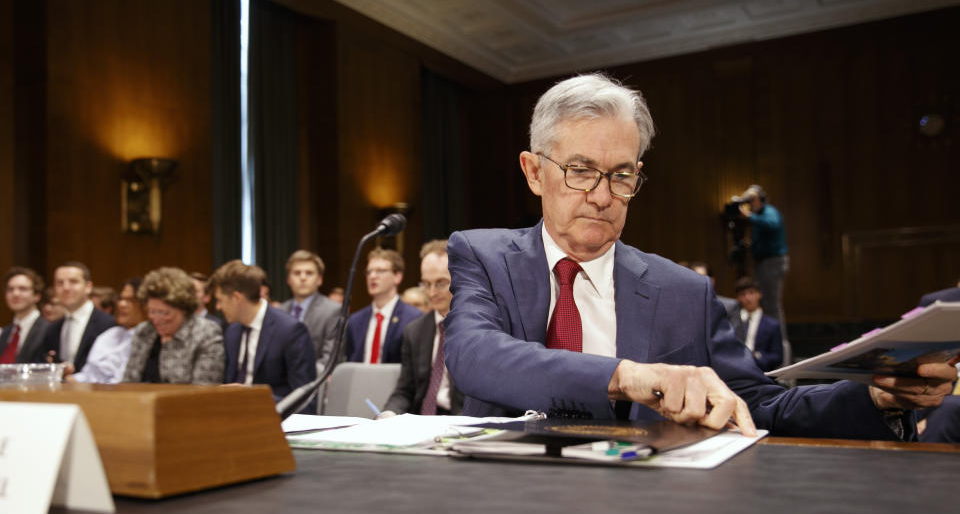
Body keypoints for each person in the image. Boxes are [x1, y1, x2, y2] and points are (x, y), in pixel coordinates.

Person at [444, 73, 957, 439]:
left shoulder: (683, 292)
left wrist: (875, 397)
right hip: (503, 506)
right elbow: (474, 356)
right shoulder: (483, 255)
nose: (602, 196)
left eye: (621, 174)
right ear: (535, 172)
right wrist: (627, 375)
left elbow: (757, 404)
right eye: (580, 170)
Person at [211, 260, 317, 411]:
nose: (218, 307)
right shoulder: (232, 331)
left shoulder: (290, 331)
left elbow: (306, 400)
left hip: (274, 420)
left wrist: (252, 397)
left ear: (236, 298)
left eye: (220, 300)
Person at [380, 240, 464, 417]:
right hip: (420, 420)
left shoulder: (479, 329)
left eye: (441, 283)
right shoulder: (415, 331)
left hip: (459, 422)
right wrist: (390, 412)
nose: (432, 292)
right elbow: (404, 390)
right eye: (426, 284)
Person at [122, 267, 224, 384]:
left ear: (183, 309)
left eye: (164, 313)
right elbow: (129, 381)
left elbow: (203, 389)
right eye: (152, 311)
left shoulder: (206, 333)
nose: (156, 319)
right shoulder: (144, 331)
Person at [345, 248, 420, 363]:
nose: (372, 276)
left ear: (397, 277)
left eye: (380, 271)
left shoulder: (414, 319)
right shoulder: (355, 321)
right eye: (368, 272)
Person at [41, 261, 116, 372]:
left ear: (88, 287)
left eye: (73, 282)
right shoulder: (52, 329)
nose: (66, 288)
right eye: (60, 283)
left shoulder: (108, 324)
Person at [69, 278, 145, 383]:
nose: (122, 304)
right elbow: (88, 375)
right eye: (121, 299)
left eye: (131, 300)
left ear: (146, 305)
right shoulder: (109, 335)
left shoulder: (148, 339)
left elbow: (123, 382)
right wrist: (62, 378)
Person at [738, 184, 788, 329]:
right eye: (749, 201)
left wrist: (750, 216)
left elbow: (772, 224)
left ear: (761, 199)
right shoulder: (759, 215)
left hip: (773, 262)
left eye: (753, 200)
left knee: (772, 304)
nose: (751, 204)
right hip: (763, 262)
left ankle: (779, 344)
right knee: (765, 303)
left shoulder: (769, 211)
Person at [279, 250, 340, 367]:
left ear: (319, 279)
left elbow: (331, 359)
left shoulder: (333, 311)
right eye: (297, 273)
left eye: (309, 273)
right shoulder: (279, 311)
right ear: (288, 279)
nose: (302, 278)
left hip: (315, 381)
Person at [731, 277, 783, 372]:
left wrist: (756, 356)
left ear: (759, 294)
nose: (747, 298)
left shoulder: (772, 325)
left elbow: (777, 357)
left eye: (751, 293)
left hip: (760, 371)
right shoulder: (732, 322)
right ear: (738, 298)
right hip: (735, 370)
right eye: (743, 294)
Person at [0, 267, 51, 363]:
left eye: (23, 289)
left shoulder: (48, 330)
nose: (15, 294)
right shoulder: (5, 332)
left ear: (37, 296)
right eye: (10, 289)